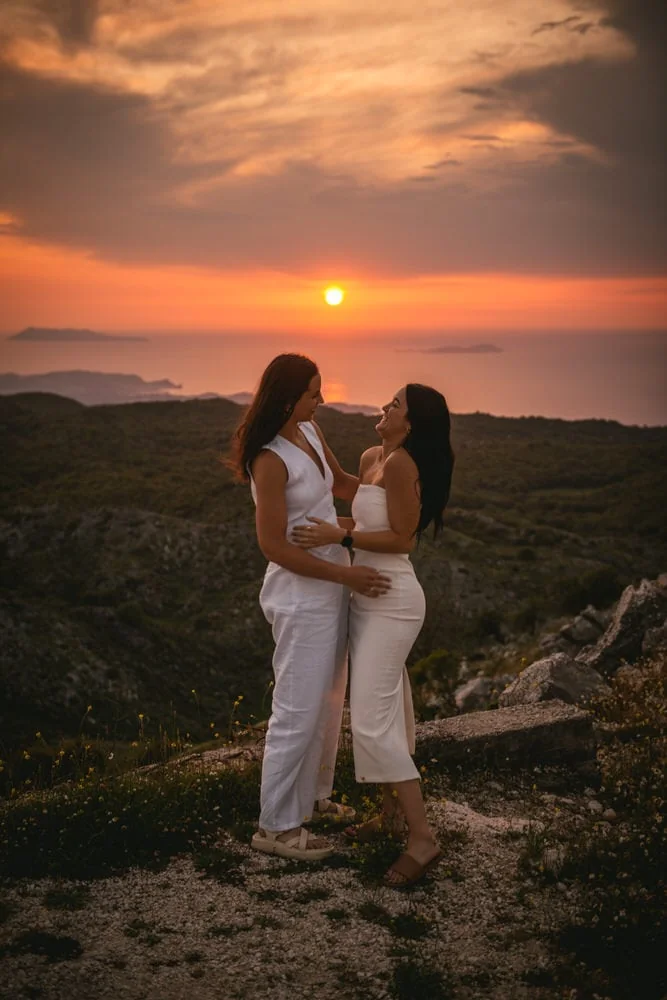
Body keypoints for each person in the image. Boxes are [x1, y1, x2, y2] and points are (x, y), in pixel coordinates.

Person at [228, 353, 391, 862]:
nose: (321, 400)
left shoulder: (311, 434)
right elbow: (274, 546)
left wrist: (401, 499)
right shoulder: (269, 458)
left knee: (327, 701)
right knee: (296, 708)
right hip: (300, 593)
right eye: (313, 392)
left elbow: (342, 485)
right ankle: (275, 827)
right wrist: (346, 571)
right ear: (287, 396)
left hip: (329, 587)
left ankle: (313, 801)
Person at [292, 383, 454, 886]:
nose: (385, 407)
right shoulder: (371, 456)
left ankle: (423, 839)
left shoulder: (404, 464)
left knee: (369, 719)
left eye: (396, 404)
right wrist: (308, 432)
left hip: (393, 596)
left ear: (412, 422)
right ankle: (388, 816)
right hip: (367, 596)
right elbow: (343, 487)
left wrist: (338, 535)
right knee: (392, 707)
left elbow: (401, 538)